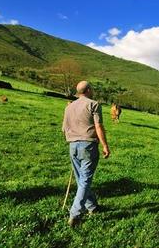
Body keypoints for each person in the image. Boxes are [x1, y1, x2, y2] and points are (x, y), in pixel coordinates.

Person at [62, 81, 111, 227]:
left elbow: (64, 129)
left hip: (73, 146)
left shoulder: (69, 107)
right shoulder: (93, 104)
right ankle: (75, 214)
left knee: (81, 179)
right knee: (85, 180)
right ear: (88, 90)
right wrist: (105, 145)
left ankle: (92, 207)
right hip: (88, 145)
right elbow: (98, 126)